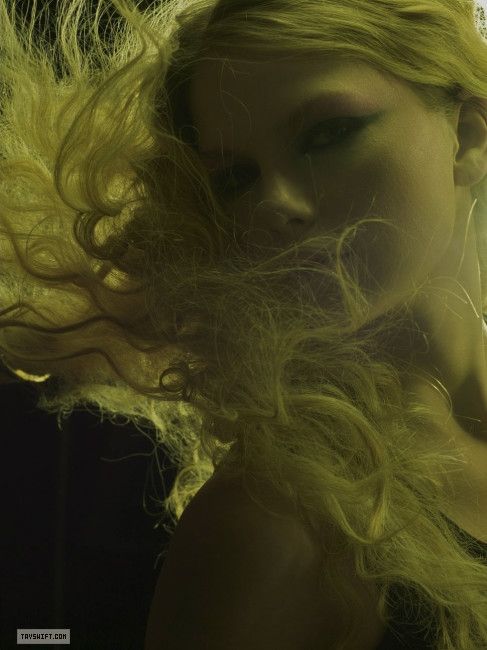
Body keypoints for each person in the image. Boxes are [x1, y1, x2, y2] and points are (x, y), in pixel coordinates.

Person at [0, 0, 487, 648]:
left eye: (325, 134)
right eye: (235, 178)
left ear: (469, 136)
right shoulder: (275, 526)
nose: (274, 201)